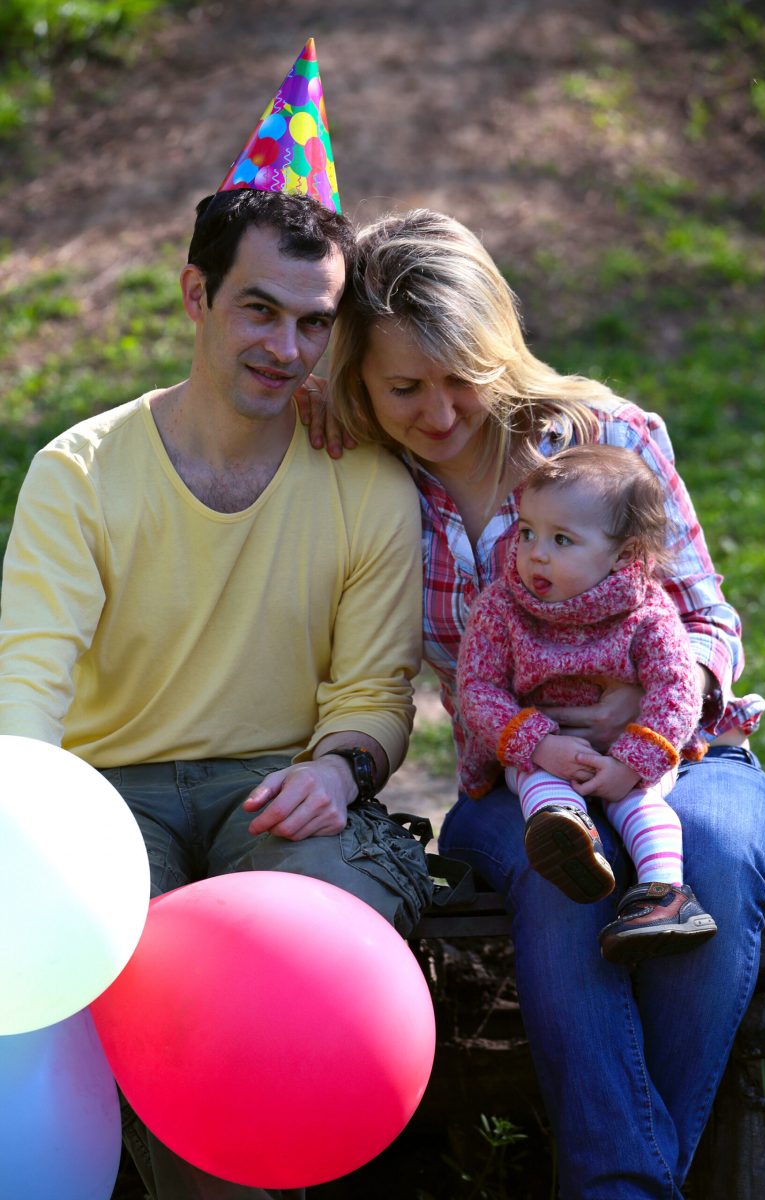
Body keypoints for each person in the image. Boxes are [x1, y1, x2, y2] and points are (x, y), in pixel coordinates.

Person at [301, 207, 765, 1198]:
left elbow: (709, 618)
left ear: (499, 349)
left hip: (679, 754)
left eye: (461, 378)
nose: (438, 411)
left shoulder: (609, 440)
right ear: (359, 374)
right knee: (565, 874)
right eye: (404, 386)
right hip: (516, 778)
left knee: (713, 852)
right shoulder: (361, 485)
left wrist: (650, 713)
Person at [0, 189, 433, 1200]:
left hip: (278, 787)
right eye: (259, 309)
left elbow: (375, 693)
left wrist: (340, 765)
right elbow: (28, 684)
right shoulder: (82, 472)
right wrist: (33, 830)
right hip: (107, 796)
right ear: (195, 294)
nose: (287, 347)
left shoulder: (364, 484)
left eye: (314, 322)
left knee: (304, 952)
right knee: (136, 978)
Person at [456, 442, 717, 963]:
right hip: (542, 751)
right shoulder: (501, 608)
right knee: (535, 782)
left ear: (623, 554)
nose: (536, 553)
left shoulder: (647, 611)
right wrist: (539, 743)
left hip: (630, 750)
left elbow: (676, 690)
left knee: (641, 802)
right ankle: (567, 838)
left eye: (562, 539)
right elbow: (478, 689)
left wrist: (630, 763)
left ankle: (667, 895)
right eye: (527, 531)